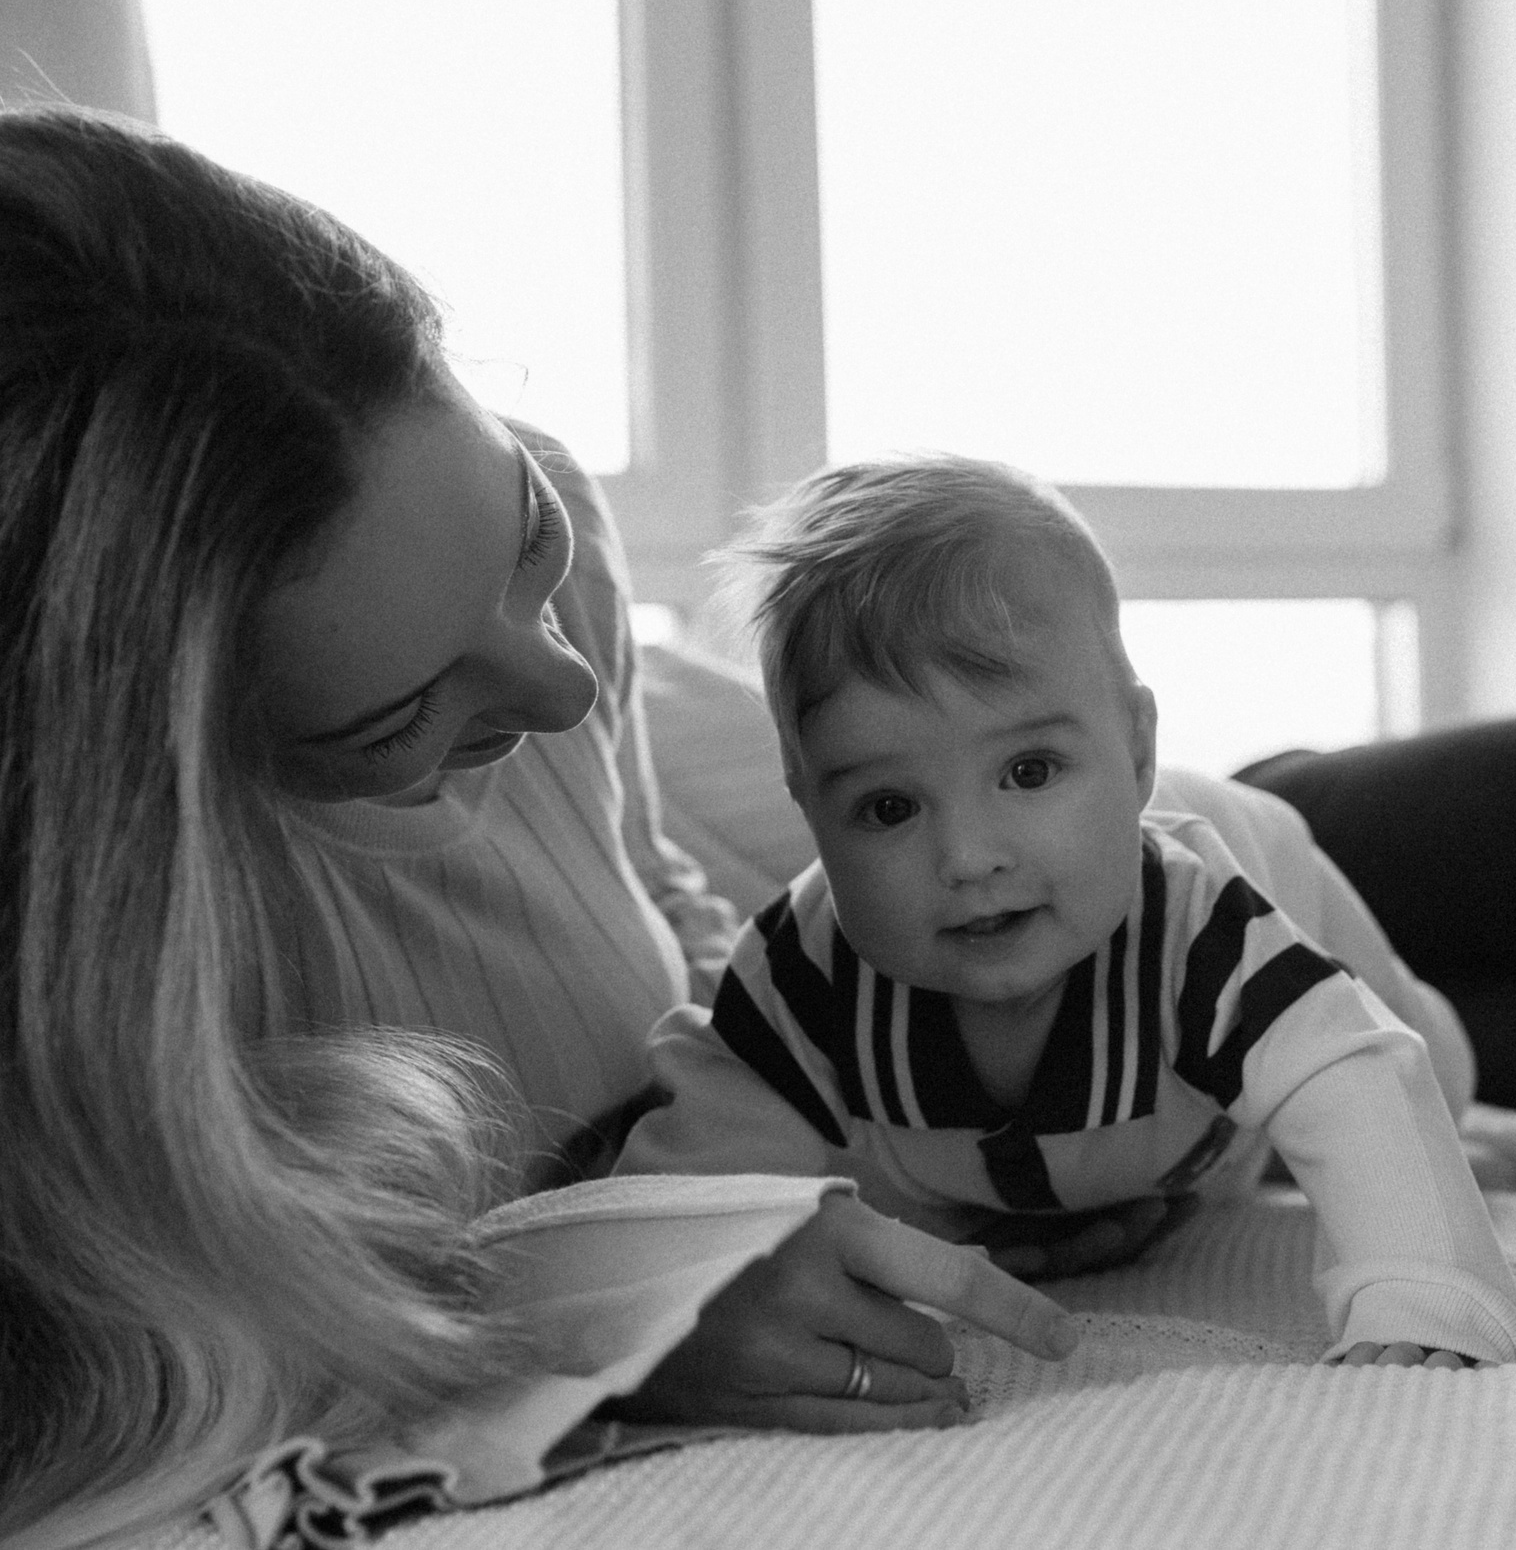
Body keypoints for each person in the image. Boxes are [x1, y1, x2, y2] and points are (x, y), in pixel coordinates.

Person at [0, 105, 1077, 1549]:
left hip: (1006, 845)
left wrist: (896, 1134)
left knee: (1270, 831)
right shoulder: (106, 1030)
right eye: (395, 721)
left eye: (526, 552)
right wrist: (621, 1305)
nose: (560, 684)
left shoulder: (556, 512)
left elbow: (669, 904)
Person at [614, 456, 1516, 1369]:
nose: (969, 857)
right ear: (807, 803)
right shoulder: (801, 974)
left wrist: (1421, 1292)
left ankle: (1479, 1121)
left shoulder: (1192, 924)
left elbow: (1350, 1073)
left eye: (1029, 771)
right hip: (1099, 1148)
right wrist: (676, 1299)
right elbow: (702, 1192)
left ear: (1136, 750)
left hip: (1264, 859)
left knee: (1426, 1072)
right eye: (889, 807)